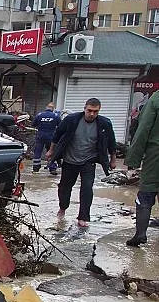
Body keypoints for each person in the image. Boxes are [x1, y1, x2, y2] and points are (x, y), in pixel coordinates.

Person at [45, 97, 116, 228]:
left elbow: (111, 142)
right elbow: (57, 134)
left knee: (87, 188)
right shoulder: (71, 120)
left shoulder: (104, 124)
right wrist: (51, 151)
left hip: (89, 160)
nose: (92, 114)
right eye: (90, 111)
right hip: (70, 159)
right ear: (84, 109)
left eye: (96, 111)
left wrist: (112, 159)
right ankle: (63, 207)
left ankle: (83, 217)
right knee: (64, 187)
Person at [124, 90, 159, 246]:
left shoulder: (156, 99)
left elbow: (143, 129)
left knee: (146, 193)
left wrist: (133, 160)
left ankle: (141, 234)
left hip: (155, 154)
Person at [32, 102, 61, 174]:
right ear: (53, 109)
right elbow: (60, 126)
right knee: (51, 151)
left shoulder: (39, 115)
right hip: (51, 136)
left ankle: (36, 168)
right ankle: (52, 168)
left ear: (46, 108)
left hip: (40, 136)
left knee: (38, 151)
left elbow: (33, 124)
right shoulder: (55, 115)